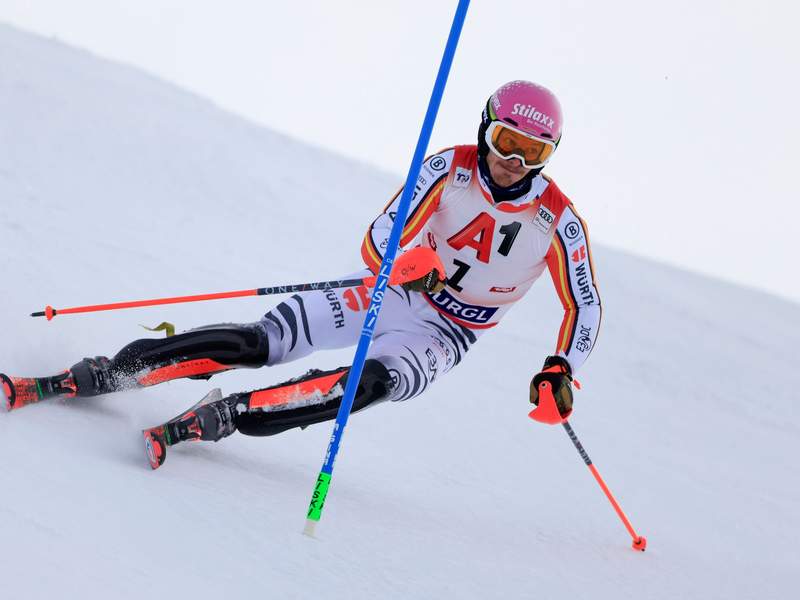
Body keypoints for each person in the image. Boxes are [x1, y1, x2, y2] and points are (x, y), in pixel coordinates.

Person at [1, 80, 601, 469]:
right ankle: (106, 373)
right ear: (485, 128)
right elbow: (378, 238)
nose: (512, 162)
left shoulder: (559, 221)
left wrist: (561, 367)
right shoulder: (450, 168)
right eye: (505, 141)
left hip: (446, 333)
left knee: (367, 385)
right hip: (393, 289)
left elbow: (585, 305)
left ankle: (230, 415)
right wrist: (401, 263)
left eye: (532, 152)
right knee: (262, 342)